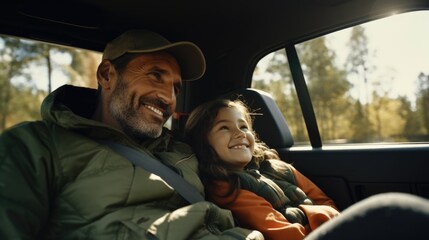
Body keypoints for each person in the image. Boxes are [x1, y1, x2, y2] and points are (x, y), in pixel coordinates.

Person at [0, 29, 263, 240]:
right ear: (106, 75)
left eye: (175, 87)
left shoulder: (181, 148)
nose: (168, 98)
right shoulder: (34, 146)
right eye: (155, 75)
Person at [184, 99, 341, 240]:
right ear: (203, 143)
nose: (239, 133)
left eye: (243, 126)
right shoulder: (227, 188)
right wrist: (320, 217)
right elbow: (286, 234)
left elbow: (325, 202)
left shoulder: (278, 167)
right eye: (224, 128)